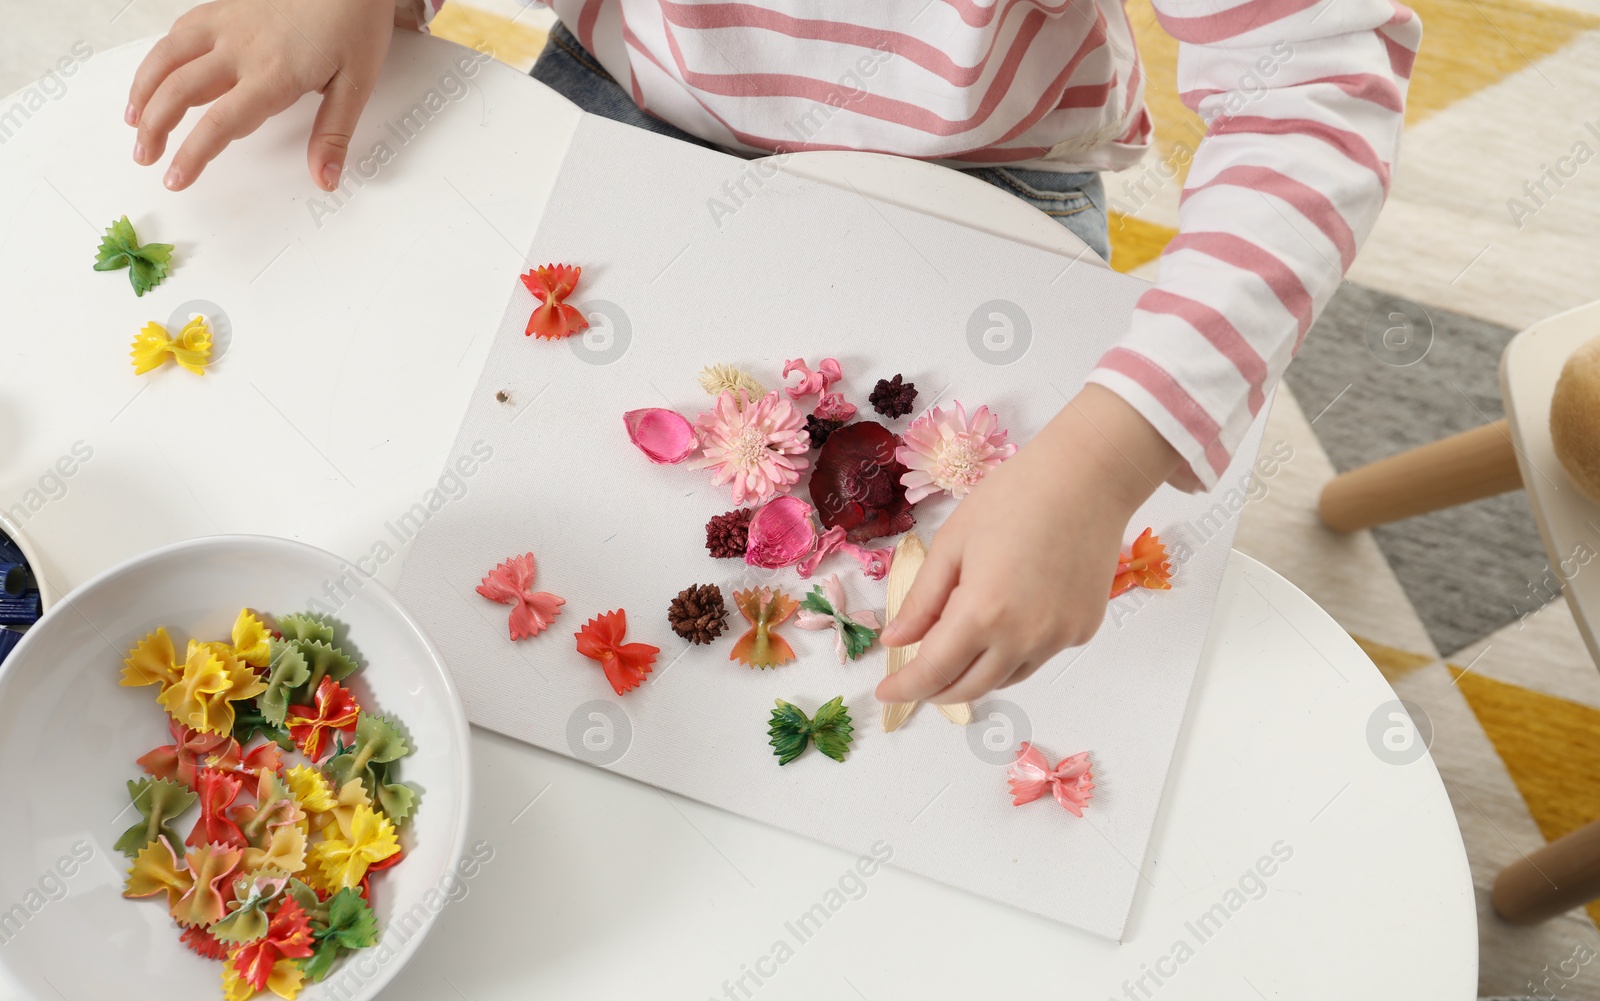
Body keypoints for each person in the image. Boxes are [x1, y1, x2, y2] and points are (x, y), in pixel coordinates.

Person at [125, 0, 1419, 706]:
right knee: (452, 547)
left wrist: (1106, 457)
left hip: (990, 171)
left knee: (930, 672)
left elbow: (1312, 82)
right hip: (641, 94)